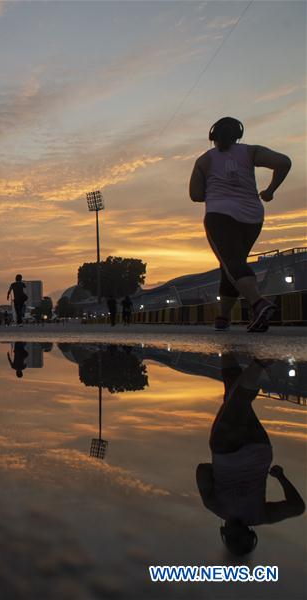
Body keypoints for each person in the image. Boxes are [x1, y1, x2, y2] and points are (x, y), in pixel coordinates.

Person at [189, 117, 291, 333]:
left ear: (213, 136)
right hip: (252, 216)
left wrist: (215, 186)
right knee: (231, 264)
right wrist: (271, 190)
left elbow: (195, 195)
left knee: (233, 262)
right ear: (238, 135)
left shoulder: (204, 160)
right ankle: (223, 317)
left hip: (220, 215)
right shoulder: (251, 152)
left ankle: (258, 303)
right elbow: (283, 162)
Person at [196, 355, 304, 556]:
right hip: (226, 448)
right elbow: (202, 470)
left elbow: (297, 508)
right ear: (225, 533)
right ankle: (260, 361)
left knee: (234, 398)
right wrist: (220, 469)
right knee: (238, 400)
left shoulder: (262, 516)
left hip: (258, 450)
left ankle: (229, 350)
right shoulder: (214, 505)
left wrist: (281, 478)